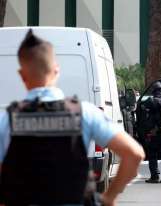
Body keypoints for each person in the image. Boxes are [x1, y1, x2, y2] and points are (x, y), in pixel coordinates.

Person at [0, 30, 145, 206]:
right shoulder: (85, 113)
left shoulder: (7, 120)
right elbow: (134, 154)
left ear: (22, 75)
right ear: (56, 70)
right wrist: (110, 197)